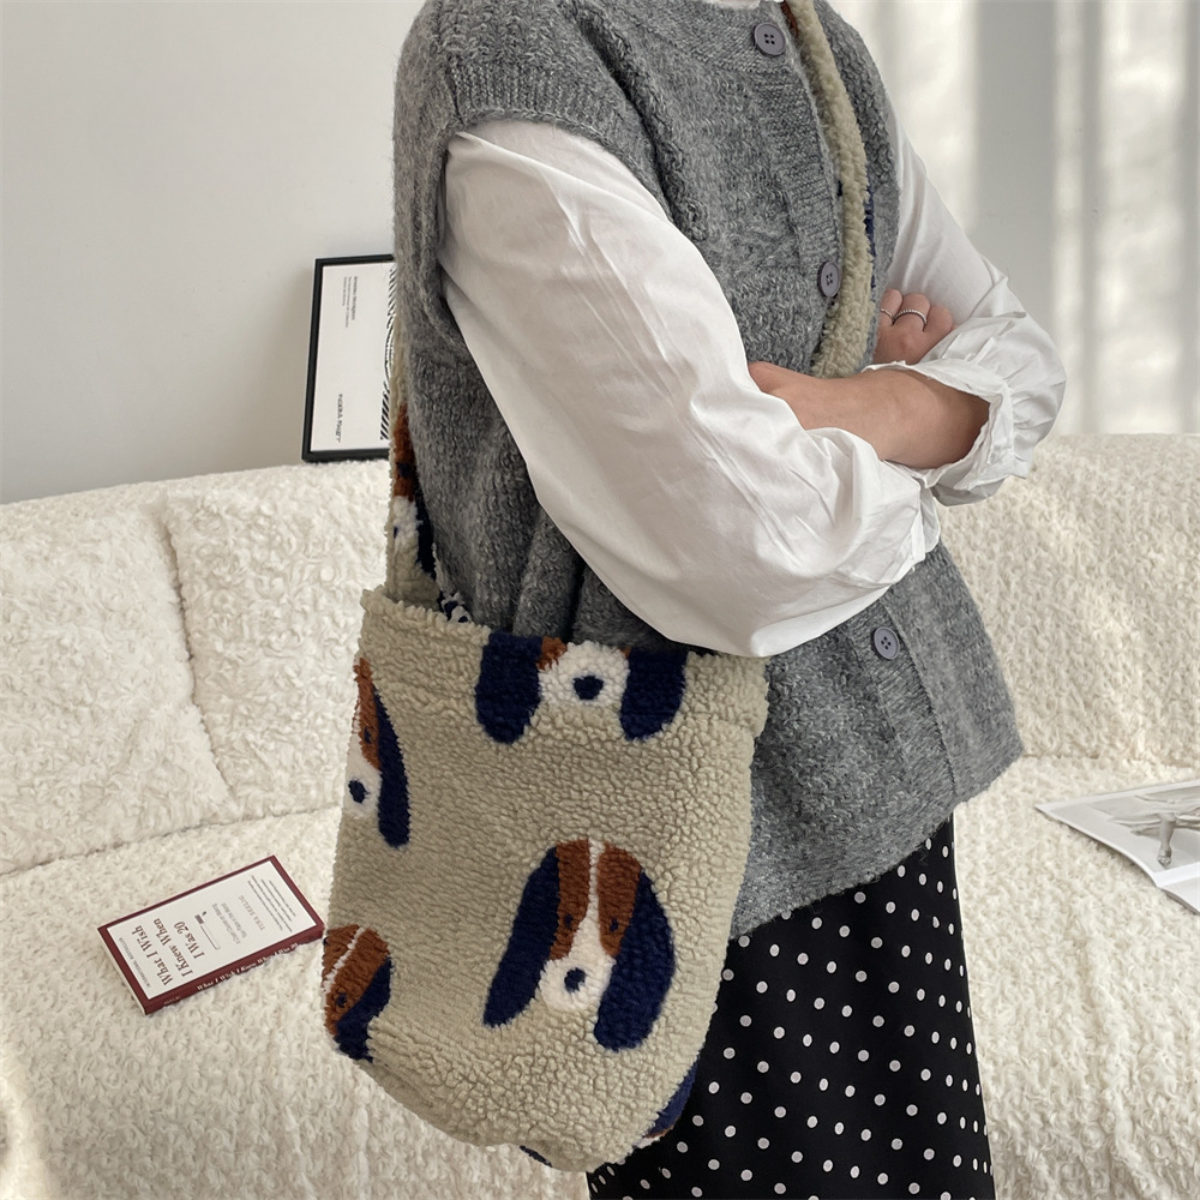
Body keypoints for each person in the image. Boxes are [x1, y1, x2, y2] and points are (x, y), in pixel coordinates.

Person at [390, 1, 1065, 1196]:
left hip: (882, 790)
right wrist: (929, 414)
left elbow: (1023, 362)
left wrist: (870, 406)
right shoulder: (514, 53)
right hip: (672, 840)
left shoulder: (813, 39)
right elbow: (743, 545)